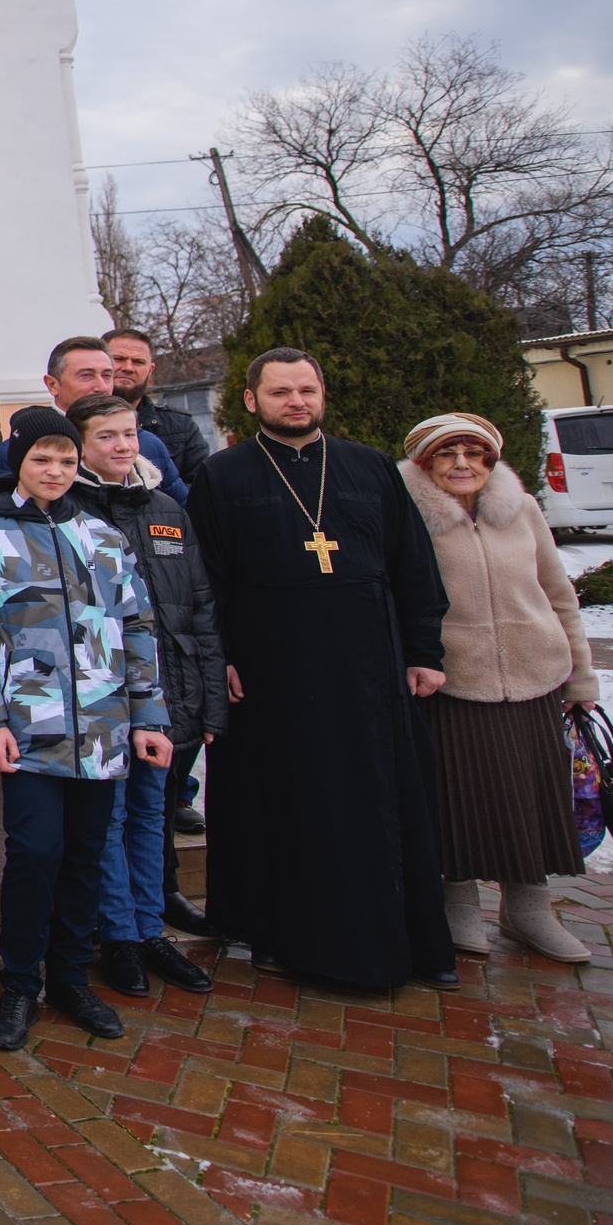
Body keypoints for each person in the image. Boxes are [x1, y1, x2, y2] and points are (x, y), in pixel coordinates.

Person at [189, 349, 456, 990]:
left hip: (370, 670)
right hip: (272, 672)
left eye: (307, 389)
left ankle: (411, 941)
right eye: (280, 391)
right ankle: (283, 935)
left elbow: (413, 564)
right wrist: (218, 657)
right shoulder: (223, 476)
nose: (297, 401)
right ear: (251, 400)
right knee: (290, 804)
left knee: (380, 803)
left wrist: (424, 651)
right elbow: (204, 583)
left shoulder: (369, 467)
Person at [0, 408, 167, 1051]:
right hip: (30, 727)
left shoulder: (103, 537)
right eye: (42, 458)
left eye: (67, 461)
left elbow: (138, 630)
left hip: (103, 731)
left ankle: (71, 975)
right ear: (19, 459)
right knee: (37, 853)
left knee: (85, 856)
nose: (55, 471)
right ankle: (20, 982)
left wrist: (148, 715)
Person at [398, 413, 597, 964]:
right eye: (447, 453)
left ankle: (529, 909)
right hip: (452, 682)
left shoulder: (523, 509)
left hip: (536, 677)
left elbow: (559, 595)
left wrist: (582, 674)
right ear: (423, 461)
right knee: (458, 800)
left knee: (533, 799)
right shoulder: (406, 516)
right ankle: (458, 905)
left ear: (491, 458)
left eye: (474, 452)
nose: (462, 464)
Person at [65, 395, 220, 997]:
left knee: (151, 815)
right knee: (111, 819)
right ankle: (120, 935)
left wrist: (206, 692)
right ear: (80, 446)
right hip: (99, 694)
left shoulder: (165, 509)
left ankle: (152, 930)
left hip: (168, 691)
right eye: (106, 437)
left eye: (128, 434)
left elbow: (198, 605)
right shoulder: (66, 511)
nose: (123, 446)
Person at [0, 339, 187, 505]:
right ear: (52, 384)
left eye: (107, 376)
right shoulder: (20, 448)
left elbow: (179, 514)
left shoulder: (148, 444)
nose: (101, 386)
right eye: (86, 376)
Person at [107, 328, 211, 487]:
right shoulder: (75, 423)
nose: (128, 367)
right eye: (119, 359)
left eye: (138, 362)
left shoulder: (181, 427)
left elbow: (200, 491)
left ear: (150, 370)